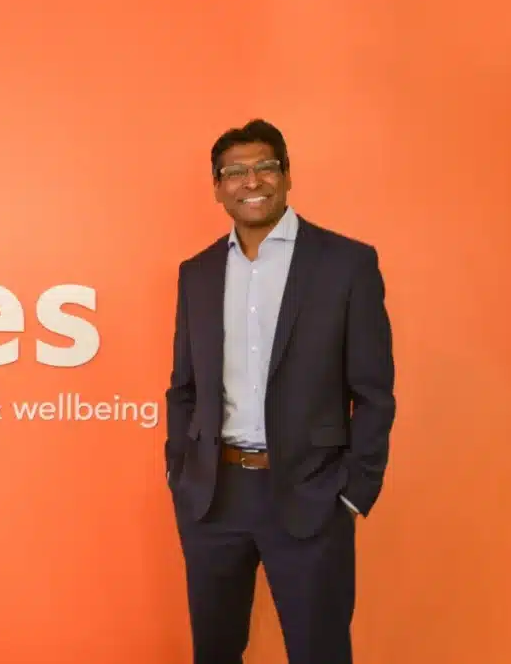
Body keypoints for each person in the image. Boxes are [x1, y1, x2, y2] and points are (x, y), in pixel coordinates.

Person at [164, 119, 396, 664]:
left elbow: (374, 390)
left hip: (311, 493)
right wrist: (180, 469)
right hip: (212, 497)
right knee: (215, 652)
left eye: (265, 166)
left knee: (320, 652)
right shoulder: (196, 272)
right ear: (218, 188)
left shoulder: (345, 264)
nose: (252, 181)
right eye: (235, 172)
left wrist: (352, 492)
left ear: (287, 176)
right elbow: (184, 386)